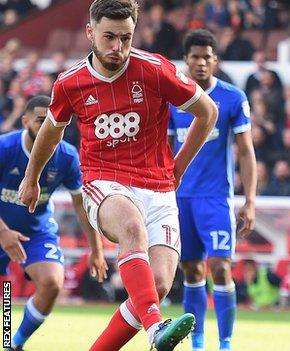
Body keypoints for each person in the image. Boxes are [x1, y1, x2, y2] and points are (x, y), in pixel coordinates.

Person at [17, 1, 218, 350]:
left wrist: (178, 167)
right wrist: (31, 177)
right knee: (130, 228)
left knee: (155, 289)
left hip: (157, 188)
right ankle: (13, 341)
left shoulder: (154, 69)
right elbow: (52, 130)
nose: (118, 48)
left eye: (125, 38)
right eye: (109, 37)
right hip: (103, 182)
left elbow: (207, 112)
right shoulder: (70, 83)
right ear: (90, 32)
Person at [168, 29, 257, 351]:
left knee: (220, 267)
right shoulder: (173, 98)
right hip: (179, 198)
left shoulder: (233, 98)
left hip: (216, 198)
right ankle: (198, 342)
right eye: (195, 57)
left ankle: (226, 343)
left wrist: (249, 201)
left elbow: (246, 152)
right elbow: (164, 149)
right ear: (186, 60)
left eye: (207, 57)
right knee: (191, 269)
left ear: (215, 61)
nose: (201, 62)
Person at [0, 96, 107, 351]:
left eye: (54, 121)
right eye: (40, 120)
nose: (49, 126)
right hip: (1, 227)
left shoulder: (67, 157)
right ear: (25, 121)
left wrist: (96, 249)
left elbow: (81, 205)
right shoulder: (5, 148)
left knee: (52, 283)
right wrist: (3, 233)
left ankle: (14, 344)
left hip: (36, 232)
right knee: (6, 297)